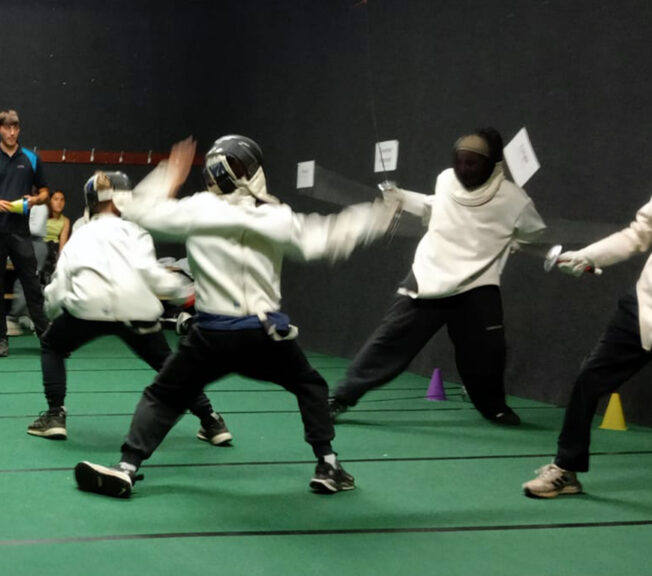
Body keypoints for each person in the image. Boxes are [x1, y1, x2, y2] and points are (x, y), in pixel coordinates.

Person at [74, 135, 399, 498]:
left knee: (164, 395)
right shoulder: (274, 217)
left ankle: (127, 467)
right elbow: (324, 238)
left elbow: (135, 208)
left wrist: (170, 174)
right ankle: (328, 464)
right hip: (261, 334)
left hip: (210, 336)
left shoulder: (197, 210)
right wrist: (380, 214)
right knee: (310, 386)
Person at [329, 128, 547, 426]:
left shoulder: (514, 200)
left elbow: (535, 230)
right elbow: (437, 205)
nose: (464, 169)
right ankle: (341, 398)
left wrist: (514, 238)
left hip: (477, 285)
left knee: (488, 354)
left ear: (494, 165)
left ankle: (494, 407)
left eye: (473, 163)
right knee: (387, 344)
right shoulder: (445, 180)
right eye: (461, 161)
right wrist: (401, 197)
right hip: (427, 278)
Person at [28, 167, 231, 448]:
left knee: (52, 345)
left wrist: (52, 313)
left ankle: (55, 416)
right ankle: (211, 421)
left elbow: (60, 283)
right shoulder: (136, 232)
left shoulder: (81, 235)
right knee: (169, 365)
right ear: (122, 199)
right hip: (135, 309)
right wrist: (183, 292)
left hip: (88, 307)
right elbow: (151, 273)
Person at [522, 196, 652, 498]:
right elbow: (638, 234)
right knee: (590, 378)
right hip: (642, 308)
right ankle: (566, 469)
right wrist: (588, 256)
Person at [0, 109, 50, 356]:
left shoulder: (30, 158)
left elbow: (45, 192)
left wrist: (36, 199)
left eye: (15, 128)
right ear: (0, 128)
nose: (11, 132)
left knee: (32, 285)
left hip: (21, 234)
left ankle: (47, 337)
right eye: (7, 127)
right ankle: (1, 340)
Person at [6, 203, 48, 335]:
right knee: (24, 281)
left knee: (29, 281)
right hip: (19, 239)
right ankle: (23, 317)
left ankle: (15, 317)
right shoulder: (20, 203)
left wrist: (15, 225)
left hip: (35, 243)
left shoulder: (41, 206)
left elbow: (35, 228)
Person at [41, 189, 71, 285]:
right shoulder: (42, 216)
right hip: (40, 247)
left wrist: (61, 264)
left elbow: (62, 245)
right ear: (50, 201)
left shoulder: (65, 221)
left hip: (53, 252)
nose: (59, 202)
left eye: (62, 200)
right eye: (56, 199)